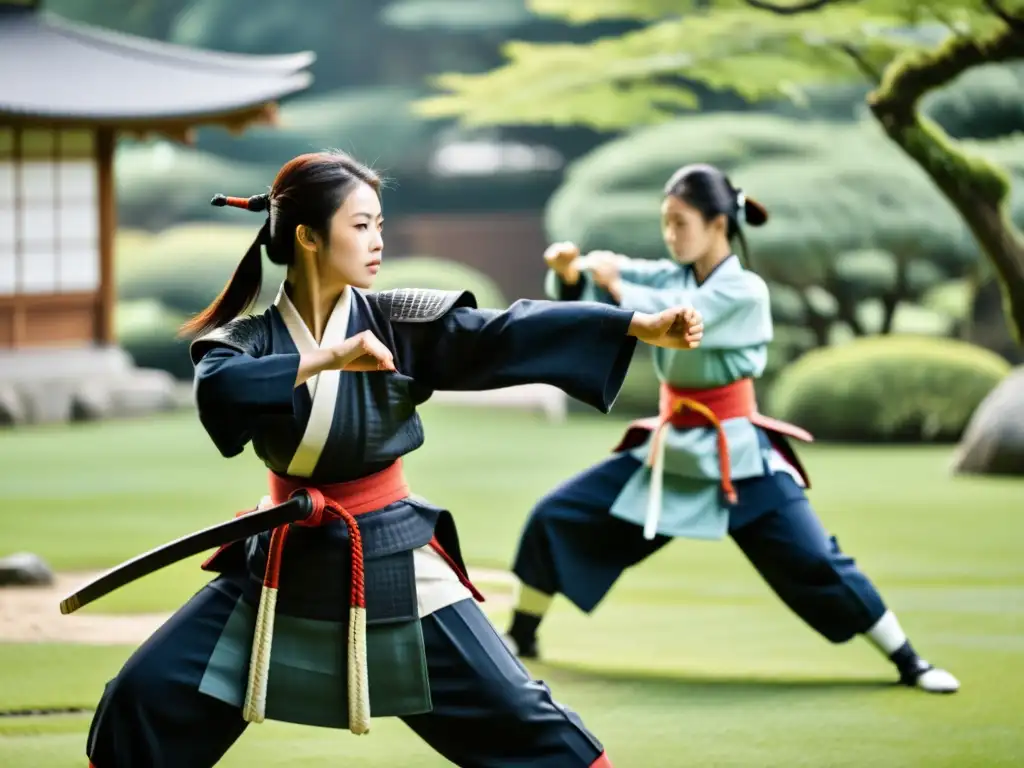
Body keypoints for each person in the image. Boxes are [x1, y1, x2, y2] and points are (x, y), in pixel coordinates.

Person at [83, 151, 706, 768]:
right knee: (140, 702)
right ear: (306, 236)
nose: (377, 240)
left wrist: (634, 326)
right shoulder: (248, 339)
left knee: (526, 719)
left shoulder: (400, 322)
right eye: (361, 225)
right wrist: (328, 358)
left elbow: (506, 331)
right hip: (281, 563)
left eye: (379, 224)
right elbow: (220, 392)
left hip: (391, 556)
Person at [502, 163, 960, 695]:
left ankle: (909, 661)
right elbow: (604, 296)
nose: (671, 235)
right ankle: (522, 634)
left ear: (718, 223)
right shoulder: (670, 273)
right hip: (670, 447)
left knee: (817, 560)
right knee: (557, 515)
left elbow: (680, 319)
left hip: (737, 451)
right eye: (666, 223)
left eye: (681, 223)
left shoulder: (745, 291)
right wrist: (571, 273)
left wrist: (617, 283)